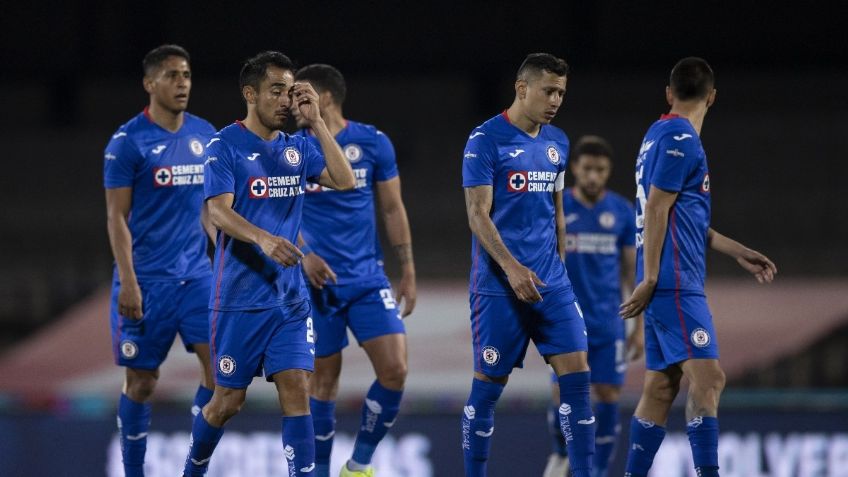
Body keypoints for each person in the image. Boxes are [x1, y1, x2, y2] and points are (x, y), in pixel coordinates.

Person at [181, 51, 356, 477]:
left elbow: (345, 178)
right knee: (227, 402)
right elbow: (217, 211)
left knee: (297, 388)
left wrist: (317, 123)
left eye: (290, 91)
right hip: (238, 301)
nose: (285, 100)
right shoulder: (225, 145)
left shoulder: (298, 148)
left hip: (289, 302)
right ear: (250, 94)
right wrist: (263, 238)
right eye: (276, 90)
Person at [619, 57, 777, 477]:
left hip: (665, 279)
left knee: (661, 386)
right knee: (709, 379)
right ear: (712, 97)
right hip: (673, 281)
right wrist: (652, 277)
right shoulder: (681, 138)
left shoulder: (656, 134)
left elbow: (682, 217)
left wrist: (736, 249)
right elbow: (656, 209)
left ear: (669, 93)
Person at [461, 52, 596, 477]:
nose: (556, 100)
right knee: (487, 388)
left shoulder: (558, 142)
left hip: (552, 284)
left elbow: (557, 210)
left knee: (578, 379)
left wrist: (560, 266)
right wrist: (512, 268)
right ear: (522, 89)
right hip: (498, 287)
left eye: (561, 93)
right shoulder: (485, 140)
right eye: (548, 91)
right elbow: (477, 214)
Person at [291, 64, 417, 477]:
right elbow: (276, 210)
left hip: (366, 279)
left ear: (325, 97)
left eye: (301, 95)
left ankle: (358, 465)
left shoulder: (372, 142)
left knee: (395, 370)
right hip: (314, 284)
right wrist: (303, 254)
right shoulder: (292, 148)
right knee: (323, 383)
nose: (292, 104)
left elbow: (393, 208)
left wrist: (408, 269)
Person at [103, 44, 217, 477]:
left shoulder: (205, 134)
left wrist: (226, 256)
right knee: (142, 382)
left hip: (197, 277)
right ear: (149, 83)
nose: (182, 83)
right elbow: (116, 216)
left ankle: (193, 470)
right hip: (147, 281)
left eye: (186, 74)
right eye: (172, 75)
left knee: (221, 373)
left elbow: (210, 207)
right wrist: (129, 281)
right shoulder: (127, 142)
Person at [543, 136, 644, 477]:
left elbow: (632, 274)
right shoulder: (557, 208)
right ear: (574, 168)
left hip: (608, 323)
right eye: (587, 168)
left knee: (608, 394)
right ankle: (561, 453)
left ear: (609, 171)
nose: (593, 176)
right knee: (562, 396)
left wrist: (639, 328)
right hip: (566, 320)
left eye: (600, 170)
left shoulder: (622, 212)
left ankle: (597, 472)